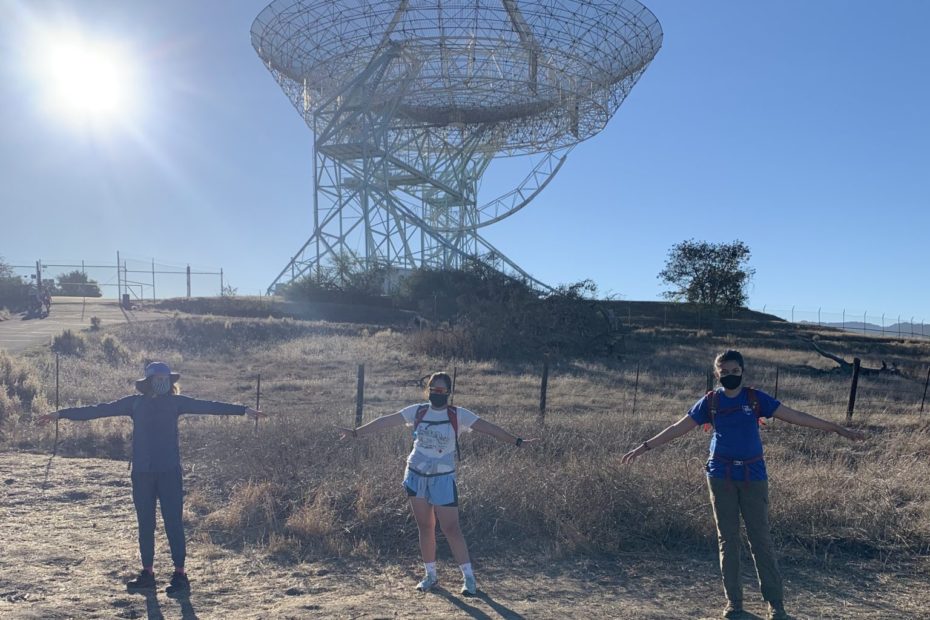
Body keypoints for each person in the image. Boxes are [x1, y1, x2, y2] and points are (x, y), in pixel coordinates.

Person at [621, 350, 865, 620]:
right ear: (717, 374)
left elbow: (795, 415)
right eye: (724, 372)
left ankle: (776, 606)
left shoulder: (755, 398)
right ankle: (734, 605)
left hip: (754, 477)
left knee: (760, 540)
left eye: (734, 371)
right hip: (720, 476)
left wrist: (836, 428)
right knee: (728, 540)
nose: (730, 376)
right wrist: (644, 447)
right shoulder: (710, 402)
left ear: (742, 371)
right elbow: (679, 427)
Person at [36, 362, 265, 597]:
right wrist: (61, 414)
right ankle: (147, 574)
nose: (163, 382)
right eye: (158, 378)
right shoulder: (134, 403)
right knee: (146, 525)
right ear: (148, 381)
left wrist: (243, 409)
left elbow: (209, 406)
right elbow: (97, 410)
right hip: (142, 474)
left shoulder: (177, 402)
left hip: (169, 473)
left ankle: (180, 575)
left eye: (166, 378)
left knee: (173, 523)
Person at [339, 371, 536, 596]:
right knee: (425, 527)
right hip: (416, 475)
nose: (437, 394)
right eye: (433, 390)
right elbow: (386, 421)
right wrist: (356, 433)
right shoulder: (418, 411)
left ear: (449, 392)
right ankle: (430, 575)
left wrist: (517, 442)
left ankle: (469, 579)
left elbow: (490, 428)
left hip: (443, 478)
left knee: (451, 528)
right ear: (429, 391)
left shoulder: (458, 414)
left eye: (442, 391)